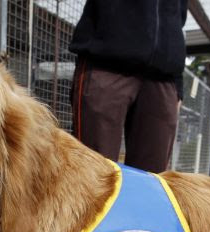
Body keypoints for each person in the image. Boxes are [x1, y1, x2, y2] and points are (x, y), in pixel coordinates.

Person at [69, 0, 189, 173]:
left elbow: (180, 13)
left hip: (163, 76)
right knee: (93, 178)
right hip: (105, 60)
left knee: (152, 183)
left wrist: (177, 84)